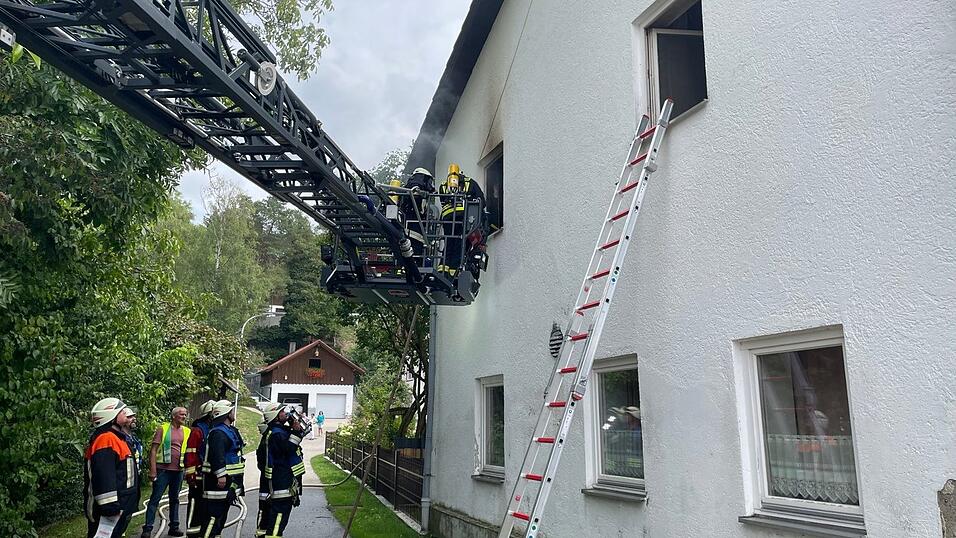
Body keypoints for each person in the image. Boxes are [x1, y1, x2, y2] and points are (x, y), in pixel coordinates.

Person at [85, 398, 138, 538]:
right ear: (112, 416)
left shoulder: (117, 438)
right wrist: (110, 507)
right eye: (122, 411)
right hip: (110, 511)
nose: (126, 413)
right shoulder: (106, 440)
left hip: (121, 506)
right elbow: (104, 477)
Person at [257, 403, 307, 538]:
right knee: (278, 519)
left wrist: (295, 429)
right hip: (281, 482)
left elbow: (295, 439)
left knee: (274, 520)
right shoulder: (277, 434)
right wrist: (295, 431)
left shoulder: (278, 431)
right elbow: (288, 448)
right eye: (282, 412)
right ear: (276, 416)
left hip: (282, 481)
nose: (286, 414)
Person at [198, 400, 245, 538]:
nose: (233, 413)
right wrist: (221, 476)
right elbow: (217, 456)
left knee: (220, 519)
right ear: (226, 413)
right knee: (213, 518)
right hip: (217, 483)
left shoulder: (228, 431)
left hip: (228, 482)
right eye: (231, 411)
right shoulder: (218, 433)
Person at [142, 407, 190, 537]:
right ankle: (148, 529)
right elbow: (153, 450)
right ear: (174, 416)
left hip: (178, 471)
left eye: (185, 414)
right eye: (181, 414)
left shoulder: (187, 431)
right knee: (155, 499)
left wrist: (187, 469)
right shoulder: (163, 429)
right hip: (163, 470)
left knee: (175, 499)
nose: (184, 417)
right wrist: (152, 470)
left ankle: (174, 527)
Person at [438, 163, 487, 275]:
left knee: (449, 242)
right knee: (460, 242)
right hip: (463, 217)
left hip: (448, 218)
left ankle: (443, 269)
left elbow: (443, 201)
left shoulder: (443, 185)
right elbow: (481, 202)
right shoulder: (470, 182)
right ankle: (454, 271)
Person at [184, 400, 215, 537]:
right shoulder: (197, 431)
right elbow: (191, 454)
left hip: (208, 475)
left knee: (206, 507)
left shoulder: (213, 429)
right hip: (197, 476)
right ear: (209, 415)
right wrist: (191, 476)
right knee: (195, 505)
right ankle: (192, 532)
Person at [401, 167, 437, 261]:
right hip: (414, 229)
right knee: (416, 254)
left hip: (407, 227)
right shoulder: (417, 187)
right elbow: (417, 205)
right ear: (424, 178)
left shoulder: (408, 187)